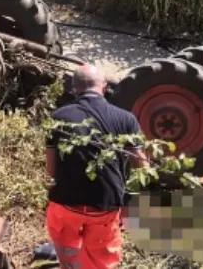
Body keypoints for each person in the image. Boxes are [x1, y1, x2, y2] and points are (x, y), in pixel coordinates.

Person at [45, 64, 147, 269]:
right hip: (106, 205)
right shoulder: (126, 119)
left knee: (67, 254)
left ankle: (69, 265)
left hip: (66, 203)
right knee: (101, 262)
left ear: (74, 89)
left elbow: (51, 171)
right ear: (104, 86)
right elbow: (142, 167)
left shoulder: (58, 118)